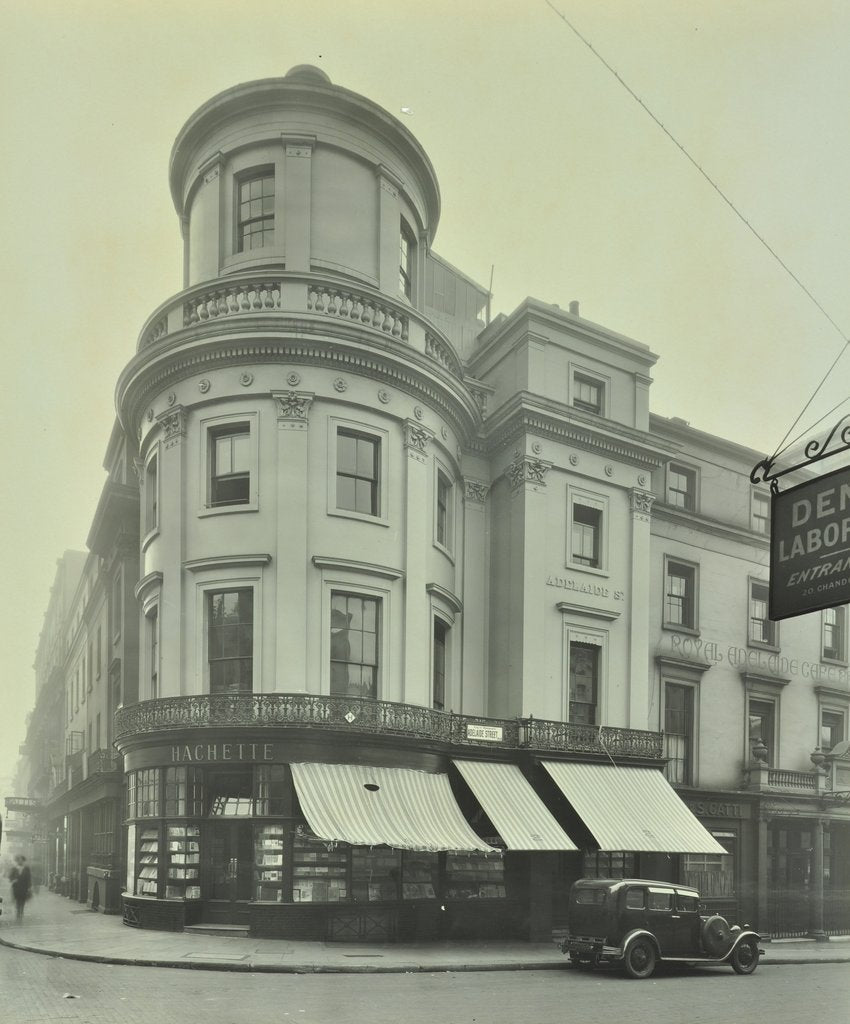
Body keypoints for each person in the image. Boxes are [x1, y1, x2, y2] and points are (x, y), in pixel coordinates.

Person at [9, 854, 32, 922]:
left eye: (21, 860)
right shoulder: (14, 868)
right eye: (18, 860)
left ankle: (21, 911)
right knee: (17, 900)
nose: (20, 861)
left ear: (23, 861)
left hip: (24, 887)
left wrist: (29, 887)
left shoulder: (26, 868)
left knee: (23, 901)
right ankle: (18, 912)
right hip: (16, 887)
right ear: (17, 861)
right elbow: (10, 877)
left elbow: (29, 878)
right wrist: (13, 880)